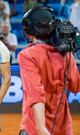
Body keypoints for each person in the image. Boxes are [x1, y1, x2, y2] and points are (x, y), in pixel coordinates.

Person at [18, 6, 80, 135]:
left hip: (35, 126)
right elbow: (75, 87)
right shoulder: (66, 54)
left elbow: (35, 94)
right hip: (63, 127)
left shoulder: (27, 55)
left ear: (29, 30)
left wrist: (41, 128)